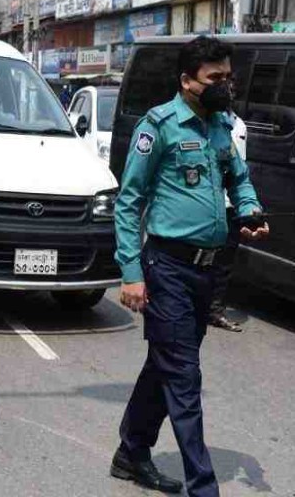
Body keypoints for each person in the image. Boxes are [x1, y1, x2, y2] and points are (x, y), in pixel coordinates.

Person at [112, 36, 269, 496]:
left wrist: (250, 211)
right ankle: (204, 487)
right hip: (167, 268)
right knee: (183, 376)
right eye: (214, 78)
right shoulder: (158, 126)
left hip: (206, 272)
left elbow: (239, 179)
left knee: (165, 364)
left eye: (228, 77)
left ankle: (131, 452)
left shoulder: (222, 126)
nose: (224, 86)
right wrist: (131, 273)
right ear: (186, 81)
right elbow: (128, 202)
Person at [208, 108, 248, 332]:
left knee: (224, 261)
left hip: (230, 205)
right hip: (207, 204)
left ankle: (214, 310)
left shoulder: (239, 125)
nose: (229, 92)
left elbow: (241, 170)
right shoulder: (205, 121)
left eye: (232, 90)